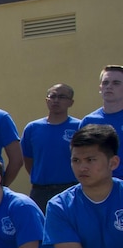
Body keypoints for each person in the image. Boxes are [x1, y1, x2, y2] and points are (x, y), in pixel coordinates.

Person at [21, 83, 80, 213]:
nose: (56, 100)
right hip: (40, 192)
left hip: (70, 190)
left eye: (62, 97)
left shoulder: (79, 127)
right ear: (46, 100)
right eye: (52, 96)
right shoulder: (32, 128)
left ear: (71, 102)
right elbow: (28, 160)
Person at [79, 65, 123, 181]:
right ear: (100, 88)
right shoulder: (89, 121)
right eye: (105, 83)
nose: (109, 87)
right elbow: (81, 155)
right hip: (100, 184)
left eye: (116, 83)